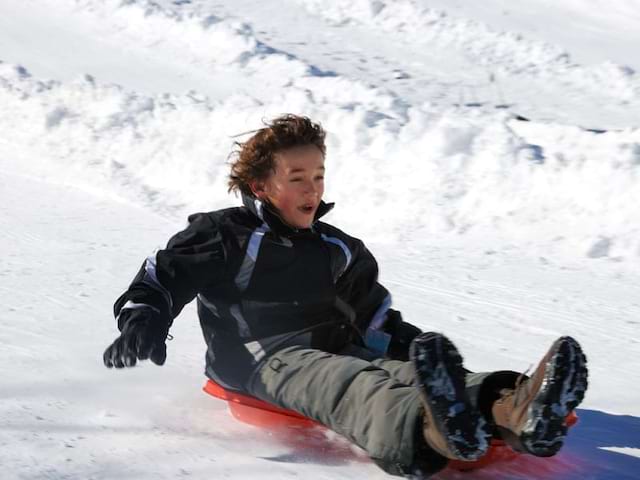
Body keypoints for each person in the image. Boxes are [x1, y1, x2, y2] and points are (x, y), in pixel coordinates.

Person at [103, 114, 588, 478]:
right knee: (352, 383)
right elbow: (163, 275)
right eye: (296, 178)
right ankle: (431, 431)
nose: (312, 188)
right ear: (260, 186)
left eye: (318, 176)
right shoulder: (225, 233)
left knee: (395, 368)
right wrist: (143, 319)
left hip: (337, 342)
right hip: (264, 359)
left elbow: (375, 321)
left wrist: (426, 362)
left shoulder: (338, 247)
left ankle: (515, 409)